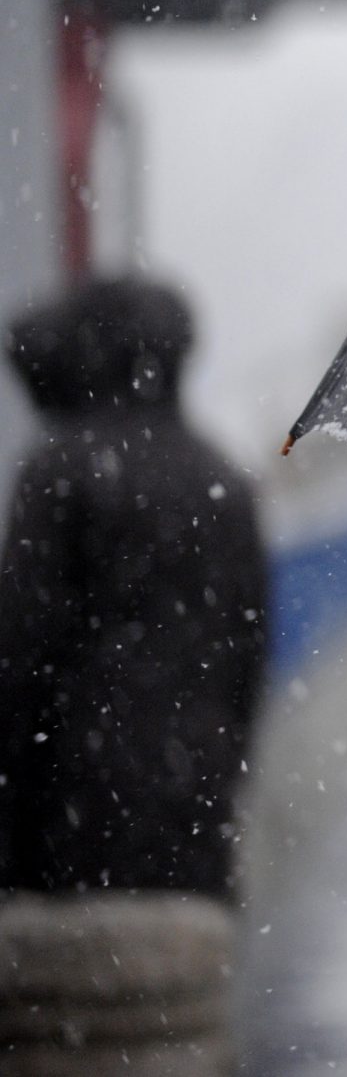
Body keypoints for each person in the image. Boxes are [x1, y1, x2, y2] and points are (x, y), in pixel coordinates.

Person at [0, 277, 269, 1070]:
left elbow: (18, 663)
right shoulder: (224, 475)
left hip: (70, 836)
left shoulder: (61, 469)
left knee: (70, 1041)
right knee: (178, 1037)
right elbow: (249, 661)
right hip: (191, 833)